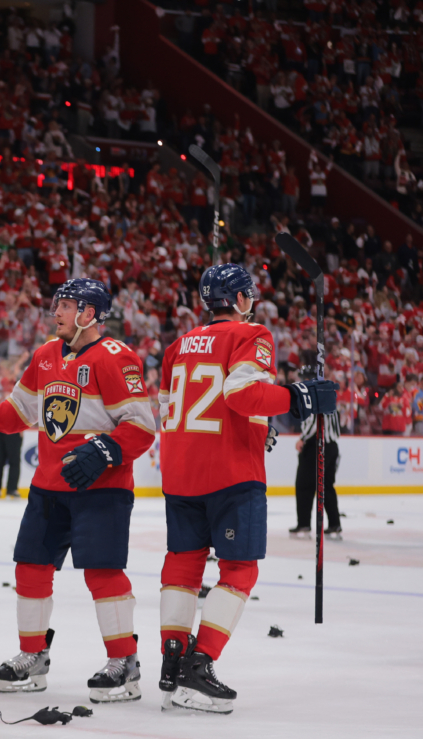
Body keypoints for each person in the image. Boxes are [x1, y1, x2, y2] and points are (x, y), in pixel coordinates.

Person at [0, 278, 156, 703]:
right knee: (30, 567)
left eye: (65, 305)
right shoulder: (46, 355)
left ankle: (124, 662)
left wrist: (105, 449)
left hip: (100, 488)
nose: (56, 312)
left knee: (102, 573)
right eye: (57, 304)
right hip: (49, 485)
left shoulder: (116, 358)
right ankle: (33, 656)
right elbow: (23, 408)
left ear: (89, 313)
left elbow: (141, 426)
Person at [156, 263, 337, 714]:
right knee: (239, 570)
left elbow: (170, 409)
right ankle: (201, 666)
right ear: (239, 299)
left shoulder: (177, 346)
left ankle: (173, 661)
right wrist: (300, 397)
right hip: (230, 474)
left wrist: (257, 427)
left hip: (180, 472)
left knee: (182, 564)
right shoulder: (249, 334)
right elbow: (242, 396)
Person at [290, 403, 342, 539]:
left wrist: (302, 438)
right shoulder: (331, 402)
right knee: (326, 486)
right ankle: (334, 523)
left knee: (304, 485)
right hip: (332, 446)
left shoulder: (315, 399)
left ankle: (304, 523)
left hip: (317, 445)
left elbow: (313, 424)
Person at [0, 431, 24, 500]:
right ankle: (11, 489)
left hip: (1, 430)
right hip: (13, 431)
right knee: (14, 462)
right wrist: (21, 429)